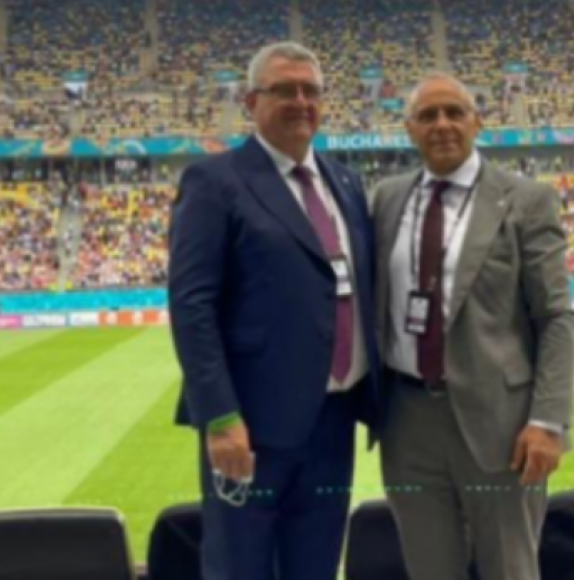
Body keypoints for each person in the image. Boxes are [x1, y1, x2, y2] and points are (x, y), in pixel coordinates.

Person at [166, 41, 382, 580]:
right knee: (240, 565)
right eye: (284, 90)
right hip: (252, 423)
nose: (301, 101)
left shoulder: (345, 181)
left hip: (334, 419)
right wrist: (219, 416)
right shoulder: (215, 181)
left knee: (316, 564)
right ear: (251, 101)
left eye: (311, 91)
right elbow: (192, 305)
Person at [371, 71, 574, 580]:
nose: (442, 124)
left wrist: (549, 421)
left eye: (454, 112)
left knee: (510, 568)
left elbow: (555, 316)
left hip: (502, 426)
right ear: (409, 129)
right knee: (429, 569)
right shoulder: (386, 199)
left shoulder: (526, 199)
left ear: (477, 122)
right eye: (427, 116)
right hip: (407, 422)